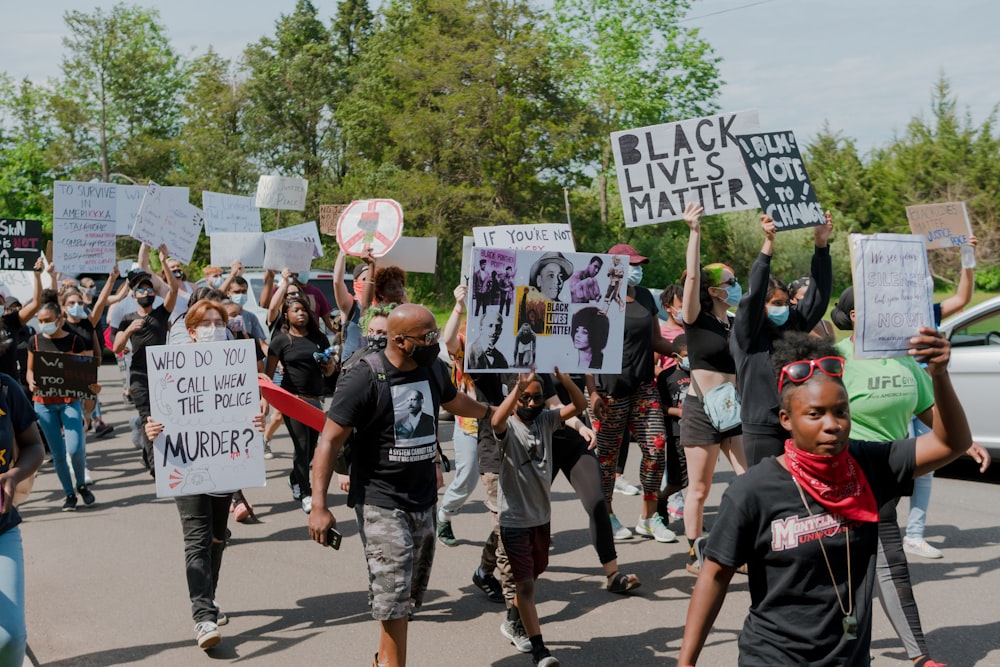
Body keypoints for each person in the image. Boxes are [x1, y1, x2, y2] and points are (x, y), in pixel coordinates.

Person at [678, 330, 974, 666]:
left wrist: (939, 374)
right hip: (773, 658)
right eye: (815, 414)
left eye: (841, 412)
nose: (832, 425)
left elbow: (953, 443)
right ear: (786, 420)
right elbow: (715, 574)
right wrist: (686, 662)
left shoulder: (870, 466)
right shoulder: (753, 491)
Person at [308, 303, 493, 667]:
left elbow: (453, 400)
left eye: (435, 335)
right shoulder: (364, 377)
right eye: (427, 338)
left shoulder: (432, 369)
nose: (434, 343)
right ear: (399, 340)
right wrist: (318, 505)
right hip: (380, 502)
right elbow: (328, 440)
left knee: (403, 599)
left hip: (423, 500)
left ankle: (383, 660)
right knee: (393, 599)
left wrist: (490, 414)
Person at [829, 286, 989, 666]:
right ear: (854, 318)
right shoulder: (838, 359)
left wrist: (966, 444)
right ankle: (904, 653)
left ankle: (914, 654)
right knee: (873, 563)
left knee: (886, 560)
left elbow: (927, 409)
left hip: (891, 469)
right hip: (847, 472)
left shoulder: (904, 360)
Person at [143, 299, 266, 650]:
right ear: (192, 332)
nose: (214, 328)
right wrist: (153, 428)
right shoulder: (172, 366)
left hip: (224, 464)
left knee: (217, 535)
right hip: (186, 465)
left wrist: (254, 423)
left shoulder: (236, 366)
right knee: (196, 538)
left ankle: (208, 599)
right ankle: (203, 618)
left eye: (219, 322)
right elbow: (160, 413)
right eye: (206, 323)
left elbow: (244, 414)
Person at [491, 366, 587, 667]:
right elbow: (495, 420)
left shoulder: (546, 420)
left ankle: (512, 619)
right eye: (525, 398)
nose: (531, 404)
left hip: (541, 519)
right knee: (527, 586)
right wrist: (516, 390)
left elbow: (580, 407)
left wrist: (567, 380)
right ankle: (540, 650)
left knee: (534, 574)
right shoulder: (507, 427)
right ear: (515, 397)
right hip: (514, 521)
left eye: (537, 398)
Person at [586, 242, 675, 544]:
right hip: (608, 391)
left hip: (643, 387)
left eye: (638, 264)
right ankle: (608, 515)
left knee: (655, 448)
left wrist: (683, 347)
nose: (636, 269)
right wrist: (593, 391)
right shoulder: (597, 297)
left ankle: (649, 518)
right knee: (607, 458)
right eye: (631, 264)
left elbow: (656, 340)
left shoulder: (647, 296)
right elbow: (583, 348)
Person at [732, 213, 833, 466]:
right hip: (761, 428)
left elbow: (817, 298)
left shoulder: (792, 326)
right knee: (764, 492)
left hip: (795, 422)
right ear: (762, 306)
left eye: (786, 303)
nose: (784, 309)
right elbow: (753, 297)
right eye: (776, 304)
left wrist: (821, 245)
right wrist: (768, 244)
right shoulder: (747, 336)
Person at [680, 202, 747, 574]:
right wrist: (695, 233)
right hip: (701, 412)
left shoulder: (734, 322)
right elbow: (691, 279)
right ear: (713, 290)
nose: (735, 288)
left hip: (735, 413)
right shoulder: (696, 319)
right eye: (729, 283)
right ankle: (695, 553)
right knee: (701, 489)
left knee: (748, 479)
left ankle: (745, 545)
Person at [264, 295, 337, 513]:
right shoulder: (281, 340)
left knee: (311, 450)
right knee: (302, 446)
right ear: (286, 314)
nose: (301, 313)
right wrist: (265, 401)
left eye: (304, 310)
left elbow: (330, 371)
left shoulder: (319, 338)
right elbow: (268, 375)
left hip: (315, 400)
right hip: (292, 400)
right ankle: (306, 493)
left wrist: (328, 366)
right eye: (295, 310)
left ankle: (295, 478)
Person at [26, 302, 97, 511]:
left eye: (47, 320)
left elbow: (86, 371)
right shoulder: (35, 341)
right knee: (57, 453)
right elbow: (30, 370)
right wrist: (31, 381)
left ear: (59, 319)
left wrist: (91, 395)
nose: (43, 324)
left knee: (75, 449)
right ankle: (69, 494)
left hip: (69, 402)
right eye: (40, 321)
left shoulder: (75, 341)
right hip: (43, 404)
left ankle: (81, 484)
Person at [0, 371, 45, 665]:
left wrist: (14, 476)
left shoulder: (5, 388)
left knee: (11, 636)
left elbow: (34, 446)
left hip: (2, 529)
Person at [655, 334, 690, 521]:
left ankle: (694, 517)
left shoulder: (698, 373)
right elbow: (659, 406)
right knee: (679, 481)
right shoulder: (666, 377)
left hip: (699, 431)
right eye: (686, 355)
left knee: (698, 480)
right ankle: (662, 498)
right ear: (676, 356)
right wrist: (677, 413)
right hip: (677, 433)